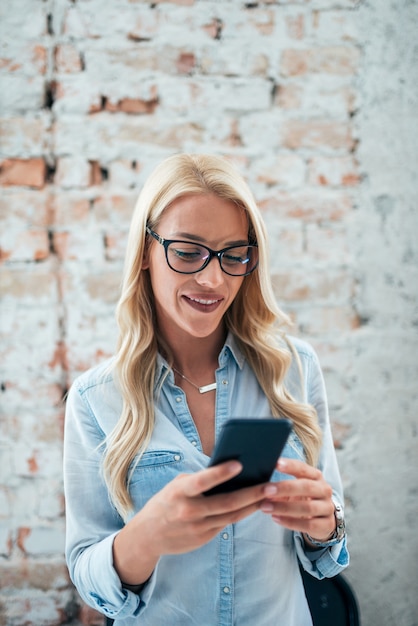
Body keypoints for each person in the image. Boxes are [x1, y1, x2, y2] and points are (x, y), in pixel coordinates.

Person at [64, 153, 349, 625]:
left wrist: (326, 523)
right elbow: (87, 574)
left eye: (234, 254)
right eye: (187, 251)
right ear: (144, 254)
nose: (213, 278)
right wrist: (147, 536)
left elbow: (329, 546)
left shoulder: (294, 369)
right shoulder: (96, 399)